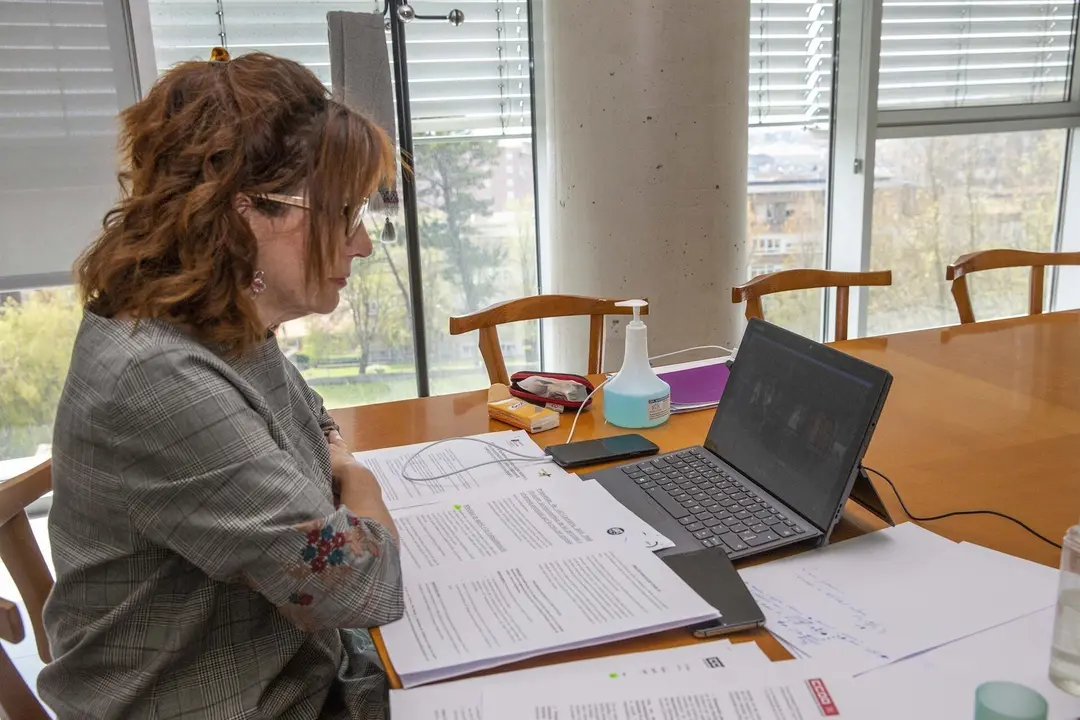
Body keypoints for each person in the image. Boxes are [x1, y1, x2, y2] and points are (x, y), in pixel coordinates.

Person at [38, 49, 403, 720]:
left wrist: (335, 466)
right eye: (345, 213)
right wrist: (363, 487)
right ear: (248, 214)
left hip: (280, 669)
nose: (361, 245)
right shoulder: (158, 377)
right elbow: (354, 585)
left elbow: (307, 411)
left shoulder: (213, 322)